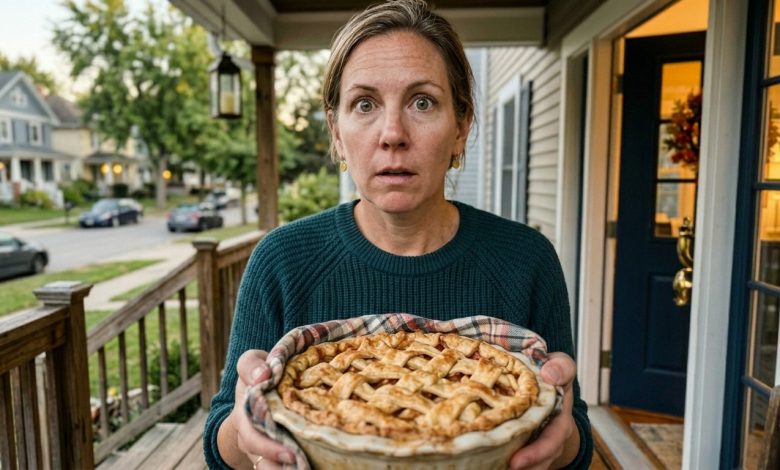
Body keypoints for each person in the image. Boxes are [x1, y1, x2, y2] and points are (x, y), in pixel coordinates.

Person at [203, 0, 593, 468]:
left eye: (422, 101)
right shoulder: (283, 259)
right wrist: (245, 427)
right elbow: (221, 446)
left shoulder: (526, 259)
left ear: (461, 128)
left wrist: (563, 436)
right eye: (364, 104)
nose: (392, 133)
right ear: (337, 132)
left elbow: (575, 443)